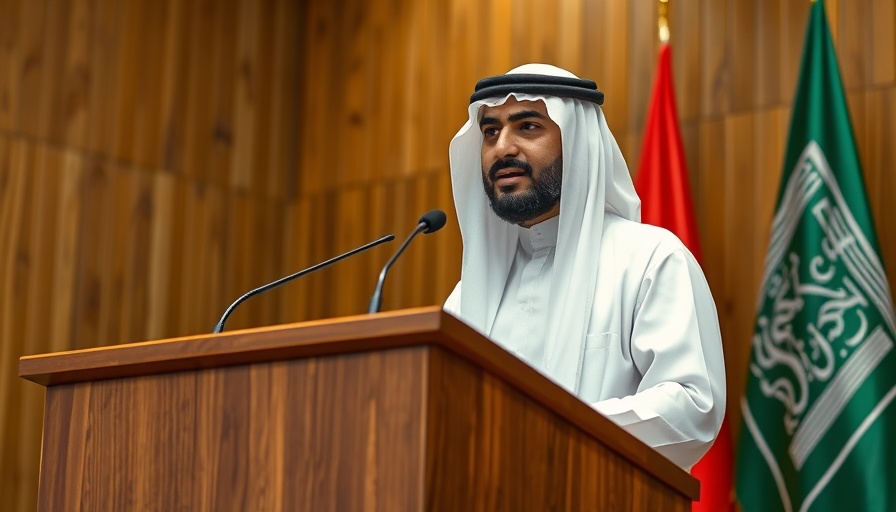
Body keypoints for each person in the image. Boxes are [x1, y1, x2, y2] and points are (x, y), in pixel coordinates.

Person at [442, 63, 725, 470]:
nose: (502, 147)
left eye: (528, 127)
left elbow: (692, 408)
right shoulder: (465, 299)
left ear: (576, 144)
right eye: (490, 131)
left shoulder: (648, 259)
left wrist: (549, 429)